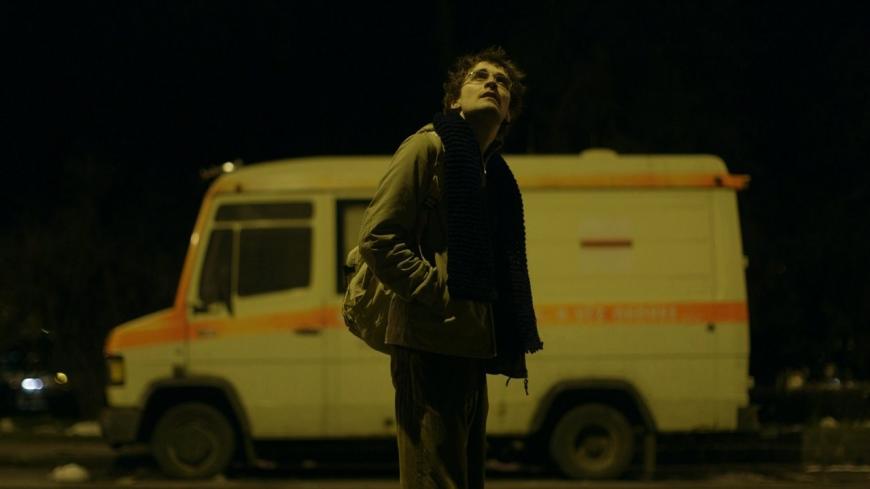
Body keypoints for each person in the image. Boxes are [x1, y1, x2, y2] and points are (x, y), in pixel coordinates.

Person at [358, 46, 543, 489]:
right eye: (480, 76)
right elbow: (378, 238)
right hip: (430, 343)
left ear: (508, 114)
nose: (492, 83)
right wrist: (439, 295)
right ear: (455, 100)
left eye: (502, 83)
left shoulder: (493, 175)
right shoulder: (428, 147)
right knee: (434, 482)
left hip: (472, 347)